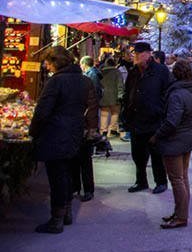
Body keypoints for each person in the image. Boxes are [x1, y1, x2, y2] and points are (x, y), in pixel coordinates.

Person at [29, 46, 99, 233]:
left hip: (55, 134)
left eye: (47, 62)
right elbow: (92, 107)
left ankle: (56, 220)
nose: (45, 66)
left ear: (55, 62)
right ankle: (66, 212)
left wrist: (33, 132)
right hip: (75, 133)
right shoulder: (84, 81)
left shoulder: (56, 82)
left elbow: (42, 111)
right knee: (67, 174)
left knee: (57, 177)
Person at [151, 59, 192, 229]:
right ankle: (180, 212)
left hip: (175, 140)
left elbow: (172, 122)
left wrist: (156, 136)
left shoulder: (176, 94)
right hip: (187, 137)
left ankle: (181, 216)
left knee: (177, 179)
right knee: (182, 177)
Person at [122, 41, 172, 195]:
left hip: (154, 120)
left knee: (156, 154)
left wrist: (162, 112)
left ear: (147, 54)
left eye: (137, 53)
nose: (134, 56)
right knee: (138, 155)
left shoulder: (161, 71)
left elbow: (168, 93)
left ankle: (161, 181)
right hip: (136, 119)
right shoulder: (133, 71)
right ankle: (141, 181)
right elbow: (128, 91)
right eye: (133, 53)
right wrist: (126, 111)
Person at [71, 56, 102, 202]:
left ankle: (84, 188)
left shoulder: (86, 81)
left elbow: (92, 106)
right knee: (81, 160)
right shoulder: (85, 80)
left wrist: (92, 129)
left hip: (80, 127)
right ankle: (81, 187)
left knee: (81, 160)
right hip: (81, 126)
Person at [99, 57, 124, 137]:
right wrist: (120, 95)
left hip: (103, 96)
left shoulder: (101, 72)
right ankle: (112, 130)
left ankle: (103, 131)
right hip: (114, 96)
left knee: (104, 114)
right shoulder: (117, 72)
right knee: (115, 113)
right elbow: (120, 84)